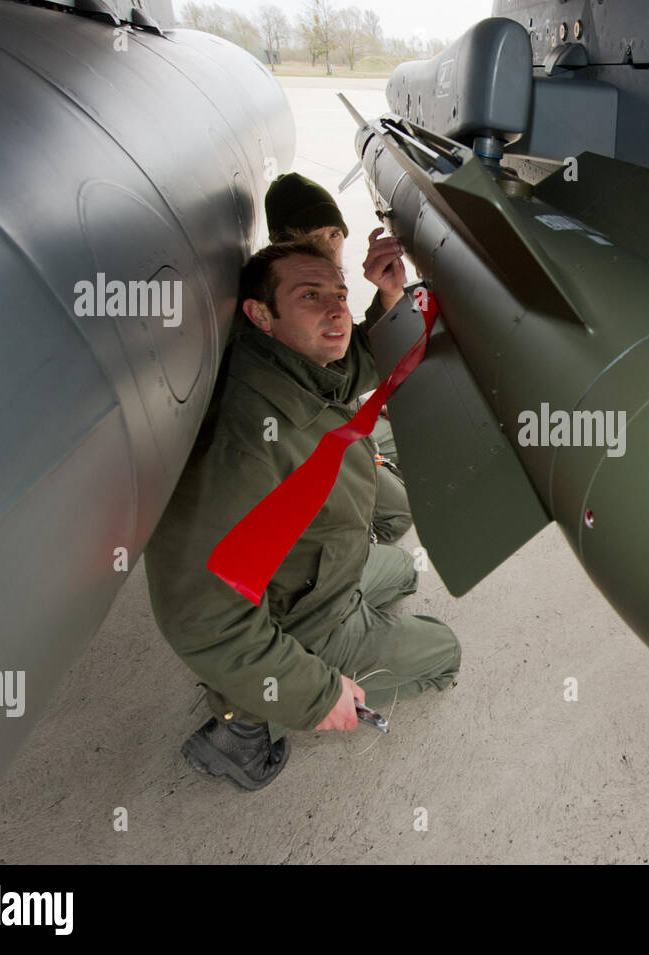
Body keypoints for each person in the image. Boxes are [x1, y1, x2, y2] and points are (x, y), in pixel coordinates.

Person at [145, 237, 461, 790]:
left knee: (404, 565)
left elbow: (345, 363)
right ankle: (240, 726)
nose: (337, 309)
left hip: (325, 576)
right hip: (297, 619)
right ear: (260, 314)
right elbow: (200, 615)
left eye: (339, 293)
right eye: (311, 296)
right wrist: (313, 692)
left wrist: (386, 298)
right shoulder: (245, 444)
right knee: (445, 654)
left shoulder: (281, 357)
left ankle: (348, 619)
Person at [264, 172, 411, 543]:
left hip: (333, 410)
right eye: (313, 238)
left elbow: (344, 364)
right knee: (399, 517)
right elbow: (347, 370)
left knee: (408, 437)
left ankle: (376, 465)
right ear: (284, 245)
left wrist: (388, 295)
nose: (328, 248)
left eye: (334, 234)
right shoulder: (283, 305)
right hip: (310, 442)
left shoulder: (291, 287)